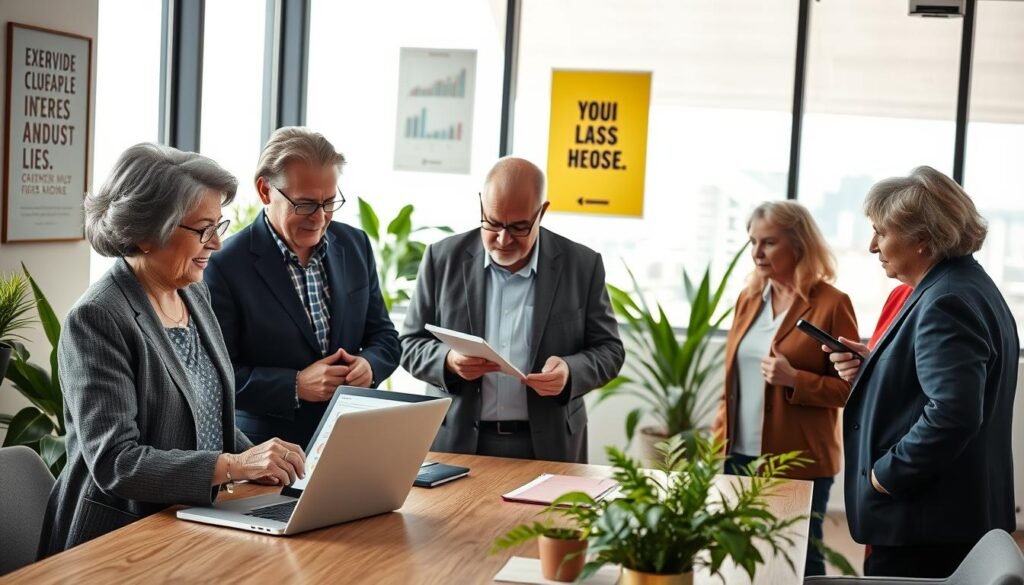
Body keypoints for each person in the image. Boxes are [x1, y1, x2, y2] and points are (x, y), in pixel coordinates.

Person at [39, 144, 306, 557]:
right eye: (203, 229)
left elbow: (205, 419)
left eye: (220, 225)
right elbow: (116, 462)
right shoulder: (97, 318)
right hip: (118, 539)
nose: (217, 243)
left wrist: (263, 457)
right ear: (148, 234)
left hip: (192, 519)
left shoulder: (193, 294)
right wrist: (237, 466)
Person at [830, 166, 1018, 578]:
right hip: (945, 520)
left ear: (922, 238)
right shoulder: (964, 286)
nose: (872, 246)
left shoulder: (945, 302)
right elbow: (938, 387)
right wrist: (873, 370)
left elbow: (953, 412)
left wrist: (885, 475)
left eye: (881, 231)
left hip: (926, 526)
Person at [399, 157, 624, 463]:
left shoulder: (581, 266)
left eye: (519, 227)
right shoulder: (442, 259)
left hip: (550, 444)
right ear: (481, 205)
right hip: (456, 441)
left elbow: (610, 350)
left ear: (541, 213)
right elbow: (409, 344)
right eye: (492, 223)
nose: (503, 239)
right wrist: (449, 361)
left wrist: (570, 371)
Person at [205, 127, 400, 449]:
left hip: (350, 438)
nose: (320, 218)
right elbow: (214, 376)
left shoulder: (355, 245)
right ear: (265, 190)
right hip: (264, 450)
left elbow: (385, 337)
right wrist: (294, 385)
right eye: (306, 204)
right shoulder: (223, 264)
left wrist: (370, 367)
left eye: (329, 202)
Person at [711, 200, 858, 577]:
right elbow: (734, 384)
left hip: (799, 459)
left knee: (800, 559)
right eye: (752, 242)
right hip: (737, 456)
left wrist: (796, 380)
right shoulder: (747, 299)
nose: (757, 253)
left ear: (799, 245)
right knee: (740, 556)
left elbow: (852, 390)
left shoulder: (831, 304)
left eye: (769, 242)